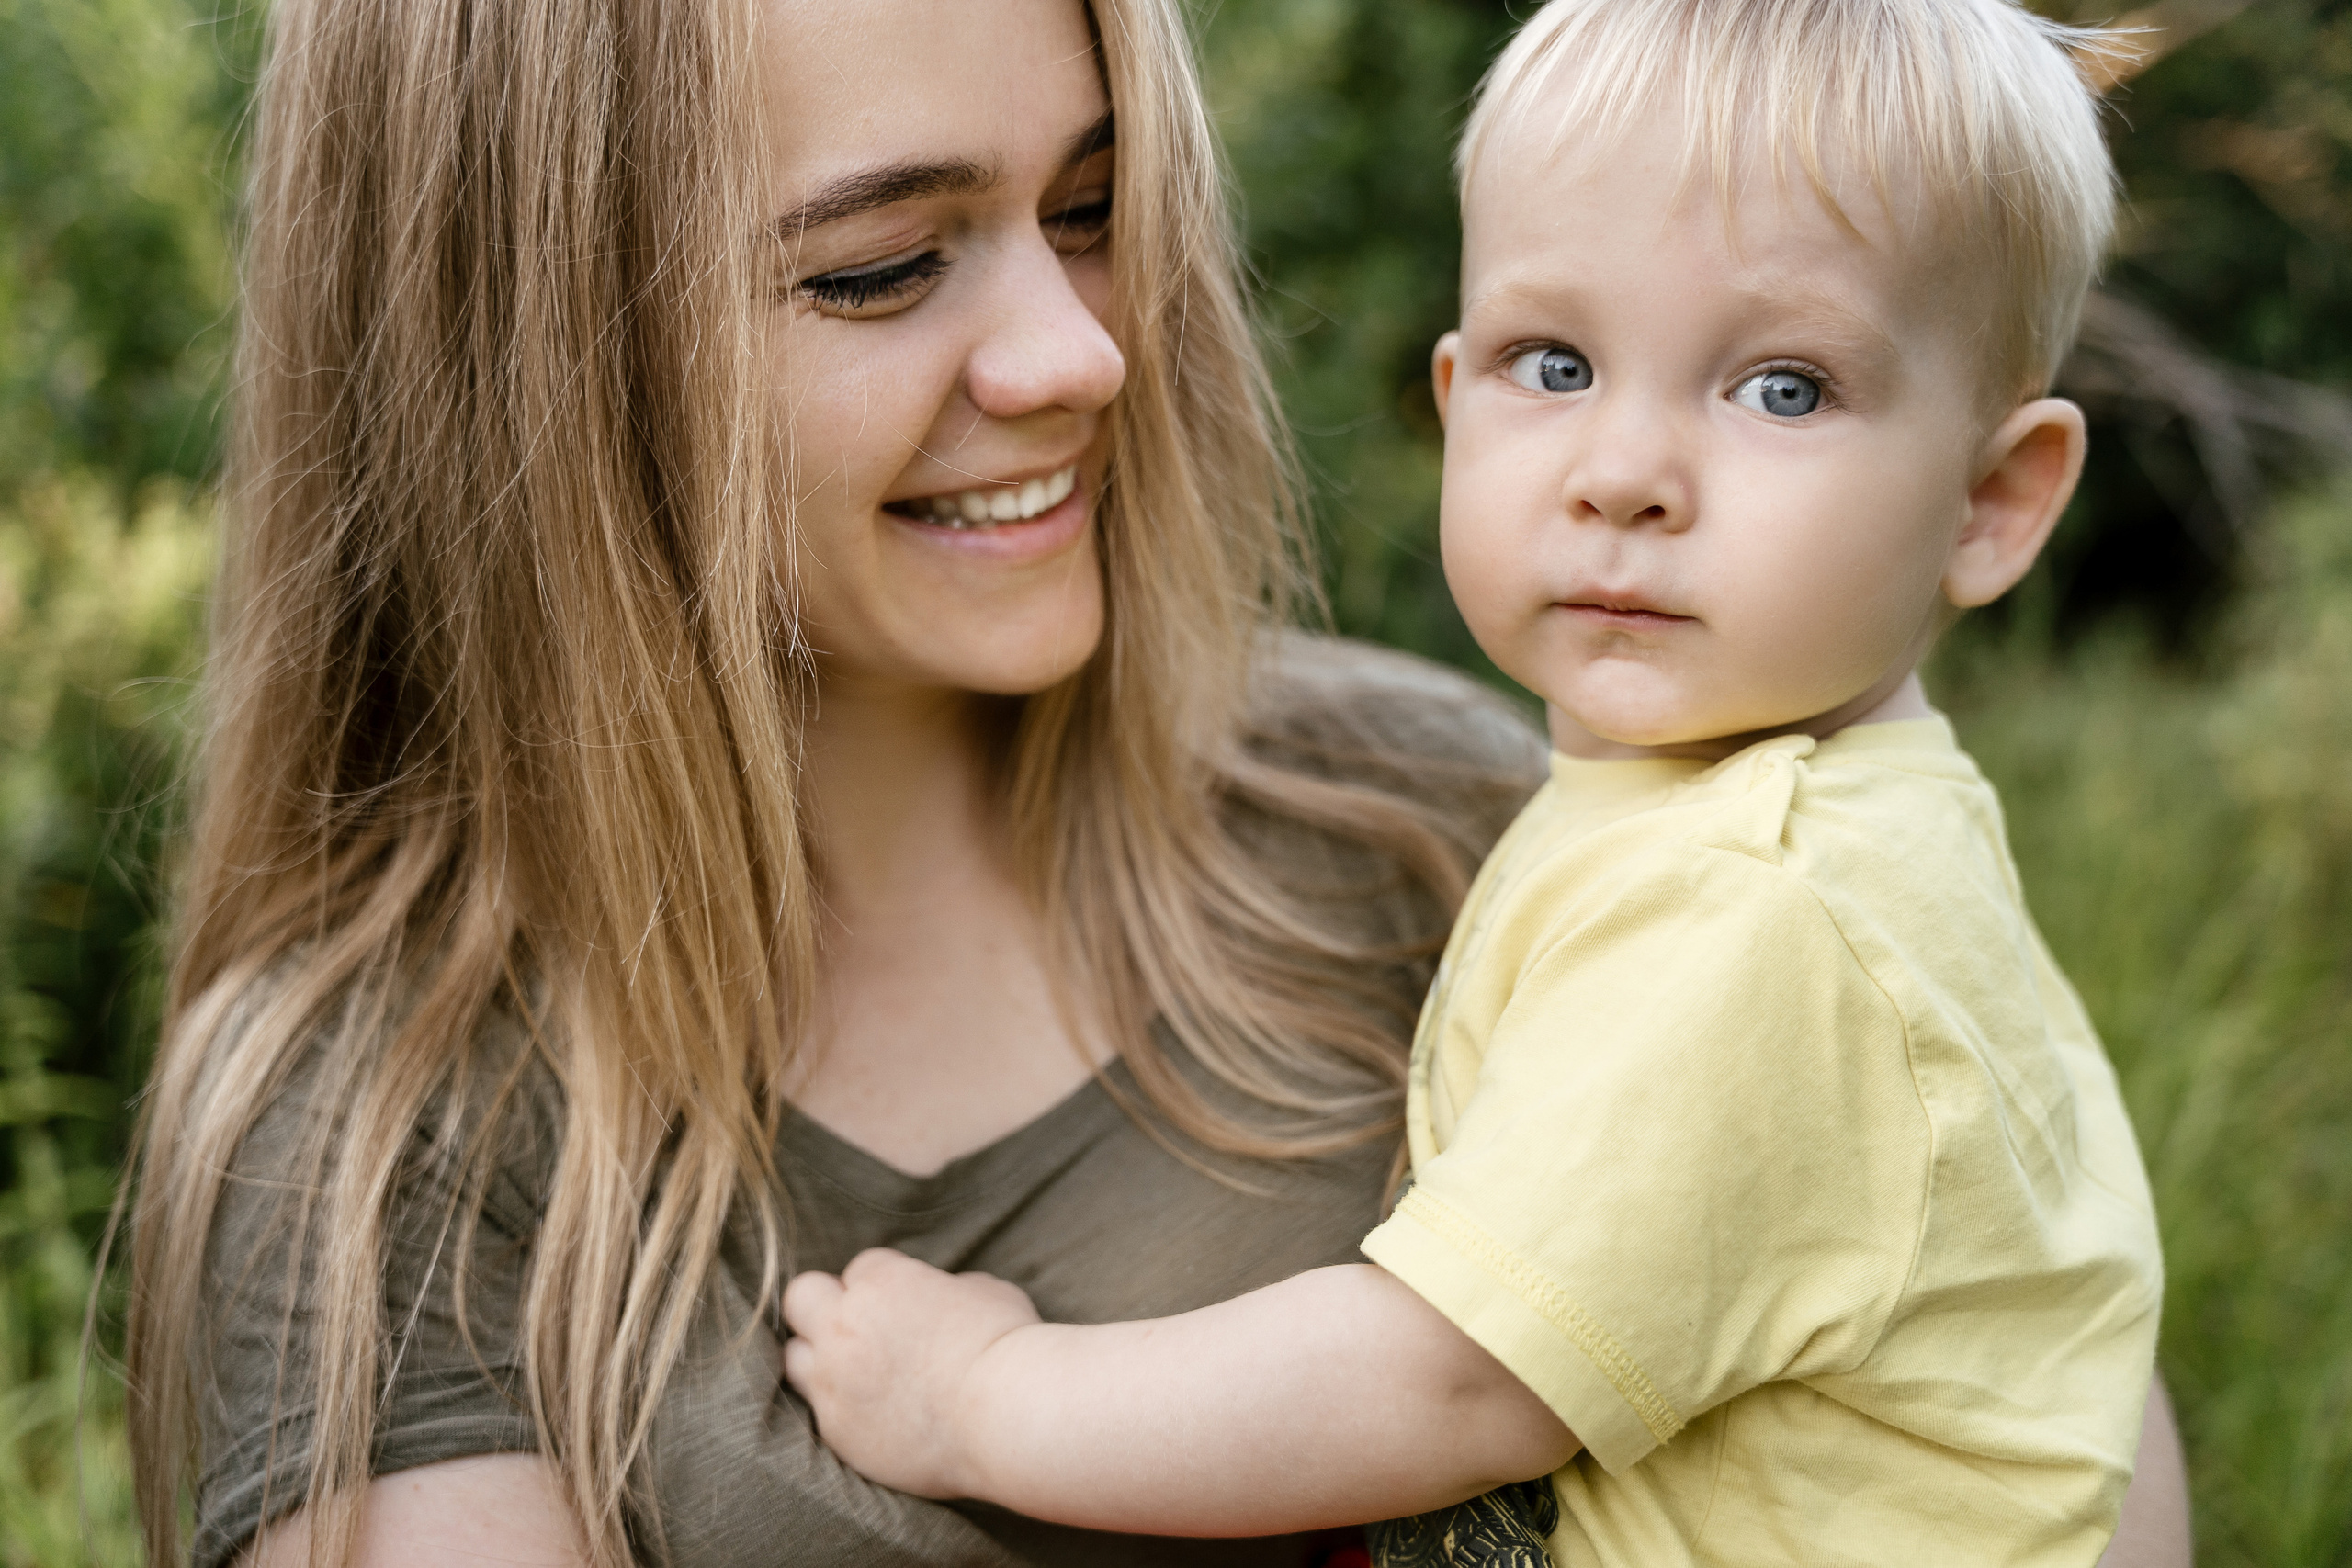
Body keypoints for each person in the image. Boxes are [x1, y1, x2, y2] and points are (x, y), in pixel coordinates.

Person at [121, 1, 2189, 1566]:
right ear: (536, 356)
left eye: (1095, 212)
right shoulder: (380, 1128)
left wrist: (1002, 1395)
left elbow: (2041, 1401)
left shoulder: (1452, 821)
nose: (1080, 353)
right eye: (878, 266)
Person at [777, 2, 2170, 1565]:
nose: (1623, 469)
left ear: (1992, 500)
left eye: (1782, 388)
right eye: (1554, 361)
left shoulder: (1763, 915)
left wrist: (986, 1398)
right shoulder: (1836, 834)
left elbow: (1440, 1380)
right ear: (1455, 402)